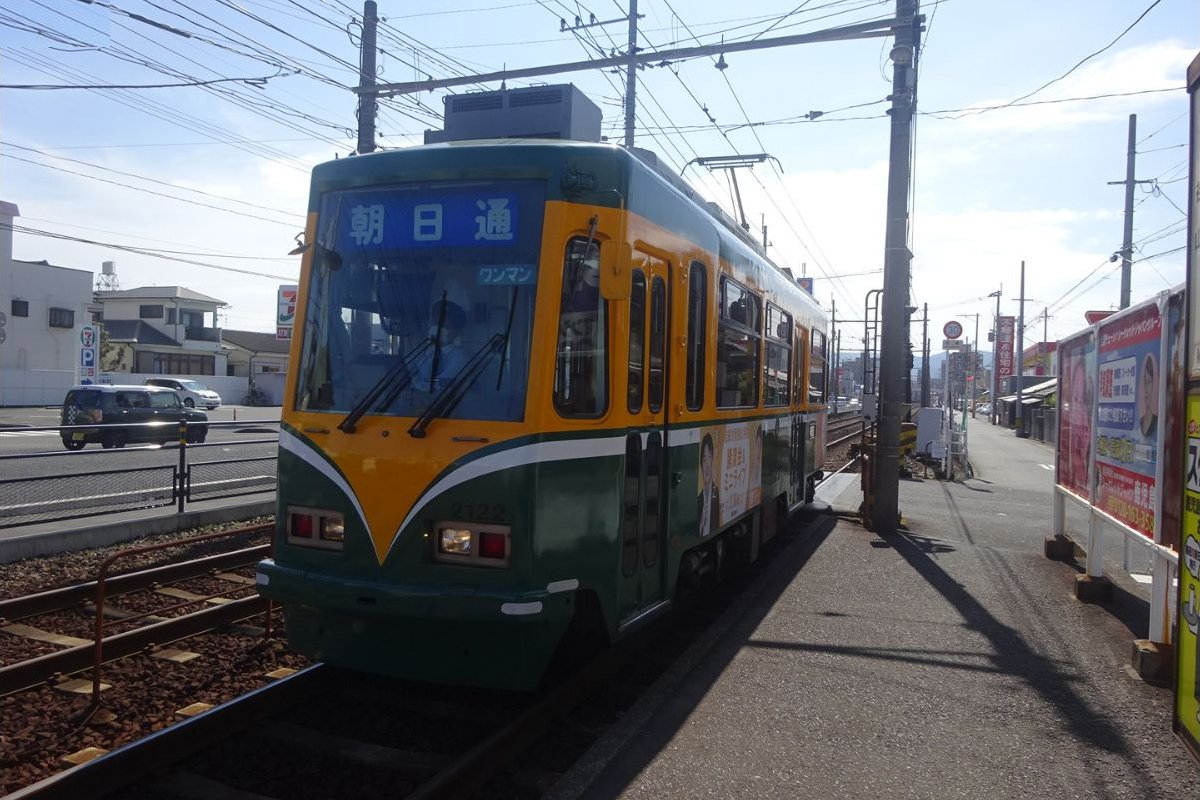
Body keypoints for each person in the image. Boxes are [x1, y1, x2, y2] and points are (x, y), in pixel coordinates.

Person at [414, 299, 469, 390]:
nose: (436, 329)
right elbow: (415, 375)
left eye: (443, 326)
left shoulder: (459, 356)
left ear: (455, 332)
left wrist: (417, 384)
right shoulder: (429, 353)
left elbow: (440, 383)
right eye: (434, 323)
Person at [697, 432, 721, 537]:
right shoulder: (698, 500)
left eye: (709, 457)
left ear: (713, 461)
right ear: (701, 465)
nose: (707, 465)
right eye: (704, 459)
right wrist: (701, 525)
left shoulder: (716, 493)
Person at [1138, 352, 1158, 439]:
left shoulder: (1158, 420)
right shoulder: (1141, 420)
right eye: (1144, 383)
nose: (1145, 389)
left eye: (1149, 382)